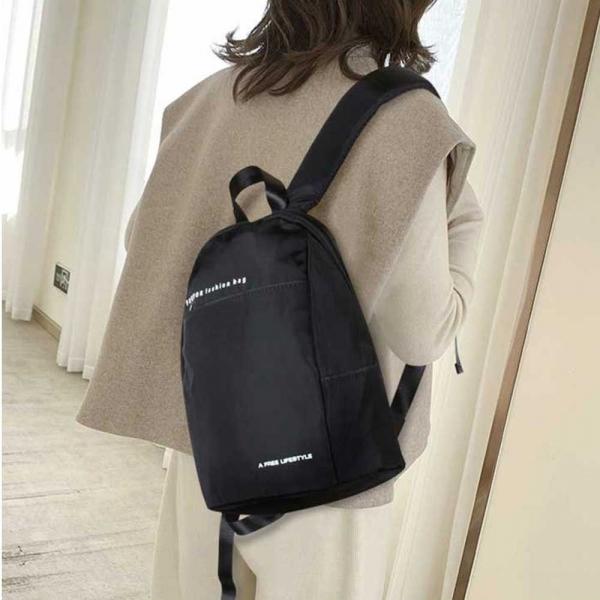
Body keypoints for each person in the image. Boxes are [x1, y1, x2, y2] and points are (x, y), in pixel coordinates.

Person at [77, 1, 484, 598]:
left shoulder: (209, 98)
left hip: (211, 446)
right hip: (331, 472)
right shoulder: (406, 121)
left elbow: (143, 238)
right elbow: (424, 331)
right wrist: (467, 224)